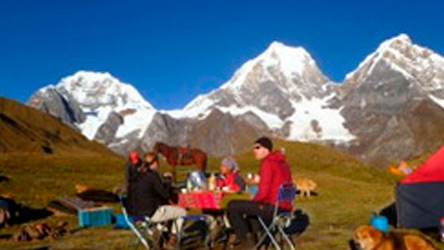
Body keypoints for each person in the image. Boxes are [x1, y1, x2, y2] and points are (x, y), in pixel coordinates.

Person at [227, 137, 292, 248]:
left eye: (257, 147)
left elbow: (264, 193)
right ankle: (259, 240)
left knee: (232, 206)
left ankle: (247, 242)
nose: (254, 151)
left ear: (266, 150)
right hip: (284, 207)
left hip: (271, 207)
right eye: (254, 148)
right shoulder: (282, 163)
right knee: (252, 210)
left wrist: (253, 201)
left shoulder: (267, 163)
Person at [127, 152, 187, 248]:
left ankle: (159, 231)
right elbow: (165, 195)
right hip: (152, 213)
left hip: (137, 214)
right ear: (154, 163)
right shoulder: (153, 176)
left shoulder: (137, 175)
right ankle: (173, 239)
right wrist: (168, 182)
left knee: (166, 211)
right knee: (182, 212)